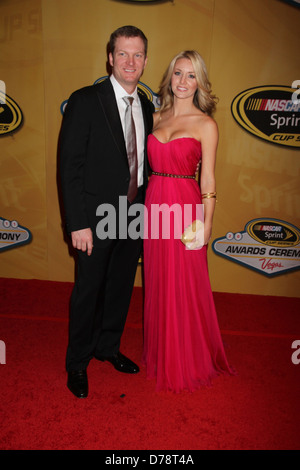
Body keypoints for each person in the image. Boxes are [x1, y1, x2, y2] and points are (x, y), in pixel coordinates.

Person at [59, 26, 154, 398]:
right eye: (123, 54)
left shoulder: (147, 105)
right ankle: (77, 362)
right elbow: (70, 167)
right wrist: (78, 223)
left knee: (119, 288)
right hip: (94, 219)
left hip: (133, 215)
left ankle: (108, 347)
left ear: (145, 60)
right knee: (88, 292)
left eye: (138, 54)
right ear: (110, 58)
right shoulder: (85, 100)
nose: (131, 62)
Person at [142, 50, 235, 392]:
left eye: (191, 75)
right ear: (169, 78)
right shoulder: (154, 117)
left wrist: (207, 225)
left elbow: (208, 179)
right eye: (178, 73)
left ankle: (187, 358)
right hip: (154, 206)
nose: (183, 81)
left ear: (199, 82)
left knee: (185, 282)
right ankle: (161, 351)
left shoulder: (206, 125)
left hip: (184, 208)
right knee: (158, 280)